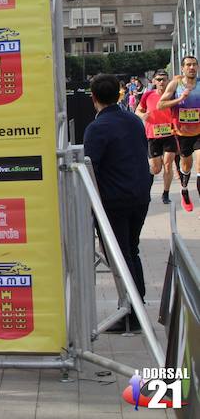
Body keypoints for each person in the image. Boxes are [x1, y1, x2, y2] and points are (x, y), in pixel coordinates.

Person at [83, 74, 152, 333]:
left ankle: (132, 313)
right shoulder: (133, 120)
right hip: (140, 196)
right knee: (130, 251)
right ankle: (137, 307)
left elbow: (90, 169)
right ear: (119, 94)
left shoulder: (97, 128)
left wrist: (92, 206)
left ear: (94, 97)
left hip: (115, 201)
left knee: (120, 256)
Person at [158, 56, 200, 212]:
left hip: (199, 132)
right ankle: (184, 189)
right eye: (188, 65)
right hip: (182, 133)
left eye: (194, 65)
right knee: (186, 165)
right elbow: (160, 104)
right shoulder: (176, 84)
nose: (192, 67)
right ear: (182, 68)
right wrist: (179, 99)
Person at [136, 70, 177, 205]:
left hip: (169, 134)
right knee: (155, 168)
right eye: (158, 79)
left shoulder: (172, 96)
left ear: (168, 81)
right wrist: (143, 116)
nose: (161, 82)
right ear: (153, 81)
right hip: (152, 135)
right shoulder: (147, 95)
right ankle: (146, 189)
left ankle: (165, 193)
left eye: (164, 79)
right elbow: (138, 110)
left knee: (167, 164)